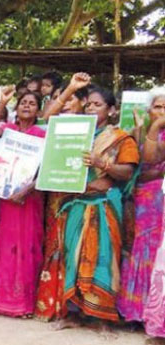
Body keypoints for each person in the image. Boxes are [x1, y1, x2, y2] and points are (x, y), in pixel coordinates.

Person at [55, 86, 139, 327]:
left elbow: (128, 170)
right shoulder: (73, 135)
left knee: (103, 258)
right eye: (88, 104)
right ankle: (73, 313)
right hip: (76, 204)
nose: (91, 108)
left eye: (98, 104)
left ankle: (101, 316)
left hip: (103, 206)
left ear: (112, 110)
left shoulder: (121, 138)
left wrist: (104, 164)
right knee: (73, 256)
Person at [35, 73, 91, 320]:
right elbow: (45, 117)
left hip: (83, 195)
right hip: (57, 193)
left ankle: (74, 308)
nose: (66, 103)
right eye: (60, 100)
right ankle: (52, 305)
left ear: (84, 104)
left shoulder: (90, 127)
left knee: (76, 248)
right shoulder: (56, 127)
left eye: (71, 100)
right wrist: (70, 88)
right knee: (54, 246)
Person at [0, 87, 46, 317]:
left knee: (27, 246)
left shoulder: (41, 134)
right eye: (23, 102)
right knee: (6, 245)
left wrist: (27, 189)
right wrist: (2, 102)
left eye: (32, 103)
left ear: (38, 110)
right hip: (7, 194)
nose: (26, 106)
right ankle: (3, 301)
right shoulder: (8, 130)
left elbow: (44, 168)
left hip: (28, 197)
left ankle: (24, 303)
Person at [120, 89, 165, 327]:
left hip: (161, 197)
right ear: (149, 110)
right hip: (145, 199)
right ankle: (136, 310)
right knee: (141, 246)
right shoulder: (139, 132)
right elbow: (147, 162)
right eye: (158, 107)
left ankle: (157, 313)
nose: (162, 112)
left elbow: (154, 164)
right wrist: (152, 128)